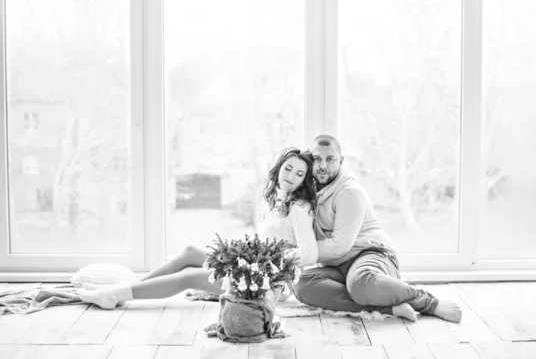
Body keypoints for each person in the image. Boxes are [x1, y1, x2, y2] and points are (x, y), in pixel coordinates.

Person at [76, 147, 319, 310]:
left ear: (303, 180)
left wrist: (271, 261)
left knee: (189, 277)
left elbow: (309, 254)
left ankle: (116, 295)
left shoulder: (299, 206)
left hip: (268, 282)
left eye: (299, 174)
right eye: (288, 168)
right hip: (252, 265)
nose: (291, 176)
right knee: (191, 252)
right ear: (279, 168)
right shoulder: (275, 199)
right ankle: (132, 287)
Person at [292, 135, 462, 323]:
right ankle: (389, 307)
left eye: (330, 159)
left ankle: (427, 302)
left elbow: (340, 245)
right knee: (301, 284)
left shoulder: (349, 193)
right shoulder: (309, 190)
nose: (322, 165)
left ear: (341, 161)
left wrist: (300, 254)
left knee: (360, 284)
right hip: (337, 266)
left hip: (371, 254)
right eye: (316, 159)